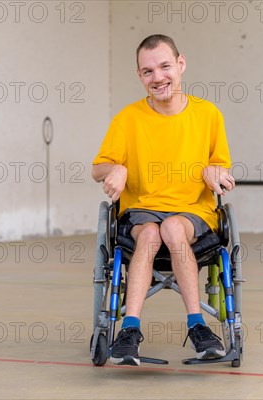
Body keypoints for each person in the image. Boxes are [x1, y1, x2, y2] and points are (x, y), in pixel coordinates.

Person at [91, 34, 235, 366]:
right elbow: (97, 168)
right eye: (147, 71)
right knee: (154, 232)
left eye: (165, 66)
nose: (158, 78)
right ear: (140, 76)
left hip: (192, 213)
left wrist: (216, 174)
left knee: (171, 227)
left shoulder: (208, 115)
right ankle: (129, 330)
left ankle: (197, 326)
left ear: (181, 64)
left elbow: (221, 167)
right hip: (142, 213)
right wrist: (116, 170)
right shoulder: (128, 119)